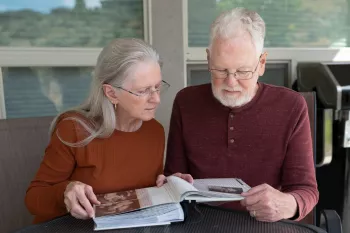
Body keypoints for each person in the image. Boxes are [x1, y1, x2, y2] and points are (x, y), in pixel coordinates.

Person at [163, 8, 319, 222]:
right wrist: (175, 183)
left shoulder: (291, 106)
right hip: (199, 224)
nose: (231, 82)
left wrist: (287, 205)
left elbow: (306, 190)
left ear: (262, 63)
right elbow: (173, 178)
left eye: (243, 71)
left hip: (264, 225)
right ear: (209, 60)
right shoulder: (185, 102)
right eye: (220, 70)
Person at [24, 38, 191, 224]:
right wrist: (66, 191)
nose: (156, 99)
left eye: (158, 87)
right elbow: (33, 199)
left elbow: (140, 192)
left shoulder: (155, 131)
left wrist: (168, 186)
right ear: (111, 93)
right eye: (143, 91)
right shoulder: (74, 128)